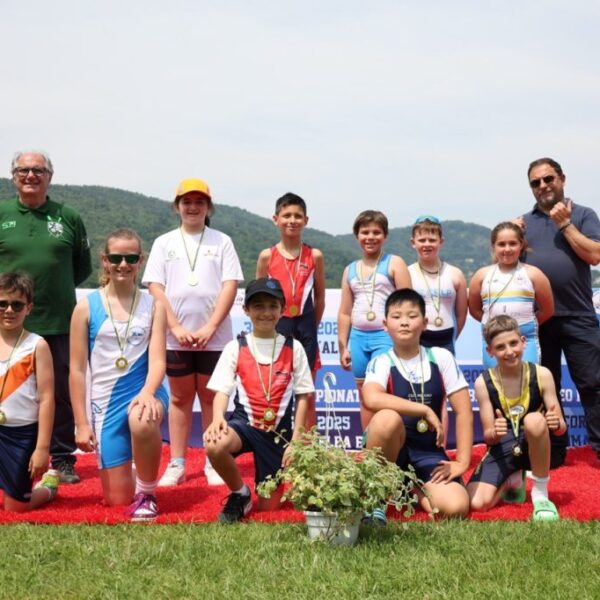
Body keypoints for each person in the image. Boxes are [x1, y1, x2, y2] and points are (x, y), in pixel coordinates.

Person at [142, 178, 243, 487]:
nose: (193, 207)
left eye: (200, 202)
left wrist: (211, 326)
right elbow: (155, 286)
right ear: (177, 207)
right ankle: (177, 463)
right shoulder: (164, 243)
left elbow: (230, 285)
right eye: (187, 202)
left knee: (212, 399)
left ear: (208, 207)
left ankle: (213, 460)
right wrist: (174, 326)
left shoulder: (222, 241)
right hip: (176, 337)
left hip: (216, 338)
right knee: (180, 398)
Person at [0, 151, 92, 484]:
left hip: (58, 320)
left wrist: (52, 288)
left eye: (38, 170)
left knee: (61, 392)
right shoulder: (2, 214)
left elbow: (82, 267)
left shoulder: (68, 216)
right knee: (8, 389)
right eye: (23, 170)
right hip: (8, 322)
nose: (30, 175)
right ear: (13, 176)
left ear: (49, 176)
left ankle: (63, 457)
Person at [69, 229, 168, 522]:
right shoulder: (85, 307)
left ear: (141, 261)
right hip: (105, 404)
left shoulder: (154, 305)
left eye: (131, 258)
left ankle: (147, 494)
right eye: (116, 258)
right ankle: (137, 470)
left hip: (145, 390)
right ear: (104, 260)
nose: (123, 264)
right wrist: (81, 424)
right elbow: (76, 369)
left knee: (141, 418)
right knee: (117, 501)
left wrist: (148, 393)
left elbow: (158, 361)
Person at [203, 278, 314, 523]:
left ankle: (264, 489)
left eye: (273, 306)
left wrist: (297, 439)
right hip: (245, 426)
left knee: (269, 509)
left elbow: (303, 395)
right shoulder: (235, 347)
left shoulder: (294, 348)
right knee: (214, 443)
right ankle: (240, 493)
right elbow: (222, 389)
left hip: (278, 435)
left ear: (282, 309)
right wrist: (218, 417)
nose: (266, 312)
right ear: (246, 310)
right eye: (258, 306)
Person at [362, 288, 473, 523]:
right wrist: (423, 409)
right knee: (386, 418)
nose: (404, 322)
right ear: (385, 324)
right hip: (393, 451)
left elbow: (463, 411)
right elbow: (371, 398)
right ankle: (376, 499)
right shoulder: (381, 361)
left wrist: (462, 462)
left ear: (424, 323)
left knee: (455, 508)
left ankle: (410, 486)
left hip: (427, 452)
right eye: (396, 316)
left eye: (412, 316)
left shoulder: (441, 357)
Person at [517, 157, 600, 467]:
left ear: (562, 178)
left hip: (578, 315)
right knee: (544, 389)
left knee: (592, 384)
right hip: (539, 320)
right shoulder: (523, 223)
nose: (543, 186)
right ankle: (553, 451)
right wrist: (512, 235)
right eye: (535, 182)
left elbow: (595, 255)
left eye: (548, 179)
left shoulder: (584, 214)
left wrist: (565, 224)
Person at [468, 315, 565, 521]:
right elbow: (488, 436)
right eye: (500, 347)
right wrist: (495, 432)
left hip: (533, 441)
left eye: (513, 343)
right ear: (490, 351)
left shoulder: (542, 374)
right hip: (503, 446)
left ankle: (540, 494)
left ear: (523, 341)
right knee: (477, 503)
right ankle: (511, 480)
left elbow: (561, 428)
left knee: (534, 420)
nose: (509, 351)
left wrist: (555, 423)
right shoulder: (483, 382)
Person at [256, 192, 325, 430]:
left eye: (297, 216)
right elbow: (259, 300)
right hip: (278, 328)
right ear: (276, 219)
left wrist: (311, 326)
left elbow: (320, 297)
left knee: (307, 391)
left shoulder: (314, 255)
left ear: (306, 220)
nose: (292, 220)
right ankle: (276, 440)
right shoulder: (267, 256)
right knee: (276, 389)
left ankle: (307, 444)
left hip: (306, 327)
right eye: (286, 215)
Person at [338, 210, 411, 429]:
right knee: (364, 396)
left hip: (385, 337)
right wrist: (343, 346)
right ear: (357, 236)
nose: (370, 237)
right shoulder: (350, 270)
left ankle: (391, 441)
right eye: (365, 232)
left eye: (376, 232)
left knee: (386, 392)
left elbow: (408, 305)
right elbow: (345, 312)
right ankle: (369, 445)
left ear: (385, 236)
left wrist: (404, 338)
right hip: (358, 339)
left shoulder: (394, 263)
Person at [0, 272, 60, 512]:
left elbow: (47, 399)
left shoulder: (37, 345)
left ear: (29, 308)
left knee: (15, 508)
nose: (9, 310)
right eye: (2, 304)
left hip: (21, 434)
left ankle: (48, 488)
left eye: (17, 305)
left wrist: (42, 448)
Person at [468, 221, 554, 368]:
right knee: (495, 381)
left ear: (521, 245)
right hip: (493, 339)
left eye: (512, 243)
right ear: (493, 246)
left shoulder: (534, 274)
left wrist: (525, 324)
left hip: (525, 340)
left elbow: (547, 310)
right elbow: (475, 310)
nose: (507, 249)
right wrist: (496, 327)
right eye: (501, 244)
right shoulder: (481, 275)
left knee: (528, 380)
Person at [408, 215, 468, 355]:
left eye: (432, 240)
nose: (427, 244)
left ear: (441, 242)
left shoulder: (455, 274)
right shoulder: (407, 273)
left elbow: (461, 315)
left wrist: (453, 338)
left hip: (447, 339)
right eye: (422, 240)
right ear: (413, 242)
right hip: (417, 338)